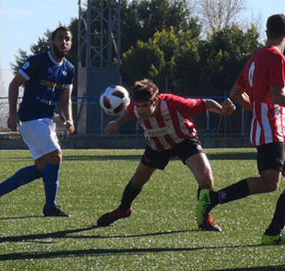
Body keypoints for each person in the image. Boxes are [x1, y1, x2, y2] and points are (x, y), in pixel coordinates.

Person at [196, 14, 285, 245]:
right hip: (270, 130)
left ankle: (272, 233)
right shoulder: (276, 58)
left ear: (266, 32)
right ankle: (213, 198)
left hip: (275, 131)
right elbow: (278, 95)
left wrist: (255, 107)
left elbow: (235, 92)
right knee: (269, 183)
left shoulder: (255, 58)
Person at [96, 78, 236, 231]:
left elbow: (206, 103)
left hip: (184, 141)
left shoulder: (174, 103)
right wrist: (116, 124)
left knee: (206, 180)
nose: (141, 110)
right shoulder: (134, 108)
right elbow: (129, 113)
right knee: (138, 180)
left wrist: (223, 110)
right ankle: (123, 209)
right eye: (138, 106)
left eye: (145, 106)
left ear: (155, 101)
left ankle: (204, 218)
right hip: (157, 145)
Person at [0, 26, 76, 218]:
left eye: (67, 39)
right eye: (60, 39)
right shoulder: (38, 62)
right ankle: (50, 207)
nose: (64, 43)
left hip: (47, 121)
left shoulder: (69, 69)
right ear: (52, 41)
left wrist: (68, 119)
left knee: (43, 167)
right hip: (29, 118)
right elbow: (14, 84)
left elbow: (65, 99)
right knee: (56, 156)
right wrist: (12, 113)